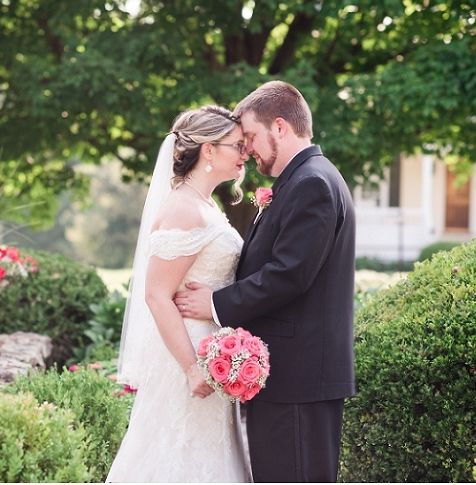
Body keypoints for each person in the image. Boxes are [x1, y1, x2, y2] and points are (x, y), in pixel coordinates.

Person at [174, 81, 356, 482]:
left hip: (299, 380)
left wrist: (217, 303)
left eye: (251, 137)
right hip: (292, 378)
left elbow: (289, 274)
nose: (247, 149)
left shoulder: (311, 183)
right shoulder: (302, 180)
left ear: (279, 127)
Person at [107, 105, 252, 483]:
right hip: (188, 353)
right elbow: (156, 295)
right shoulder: (183, 209)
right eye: (237, 145)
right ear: (208, 149)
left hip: (212, 348)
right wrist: (191, 367)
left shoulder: (205, 204)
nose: (245, 153)